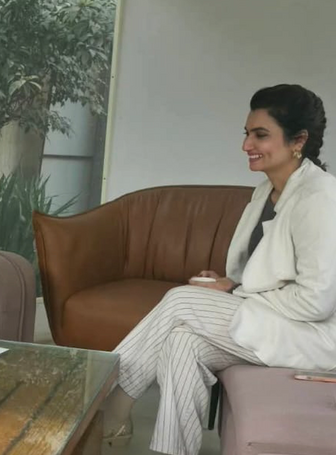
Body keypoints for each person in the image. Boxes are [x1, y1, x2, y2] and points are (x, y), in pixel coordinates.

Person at [103, 84, 336, 455]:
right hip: (274, 323)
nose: (246, 145)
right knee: (182, 342)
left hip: (311, 337)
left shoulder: (320, 197)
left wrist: (236, 293)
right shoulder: (265, 192)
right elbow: (264, 271)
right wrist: (229, 282)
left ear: (299, 140)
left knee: (181, 300)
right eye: (247, 133)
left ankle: (109, 405)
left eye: (260, 135)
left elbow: (316, 302)